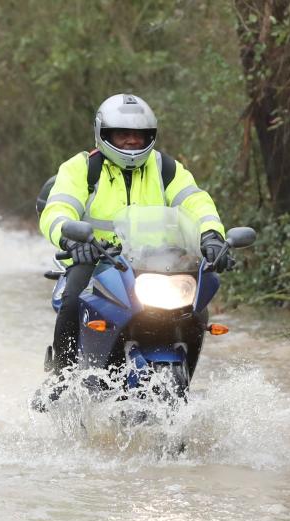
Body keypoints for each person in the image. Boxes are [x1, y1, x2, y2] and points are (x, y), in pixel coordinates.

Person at [39, 93, 230, 376]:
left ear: (150, 136)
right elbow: (57, 209)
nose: (131, 141)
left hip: (156, 263)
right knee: (72, 300)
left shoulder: (166, 169)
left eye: (139, 135)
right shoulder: (81, 168)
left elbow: (196, 202)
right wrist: (71, 239)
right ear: (104, 134)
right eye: (122, 133)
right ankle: (61, 378)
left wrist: (212, 236)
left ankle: (186, 377)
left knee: (196, 311)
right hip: (96, 259)